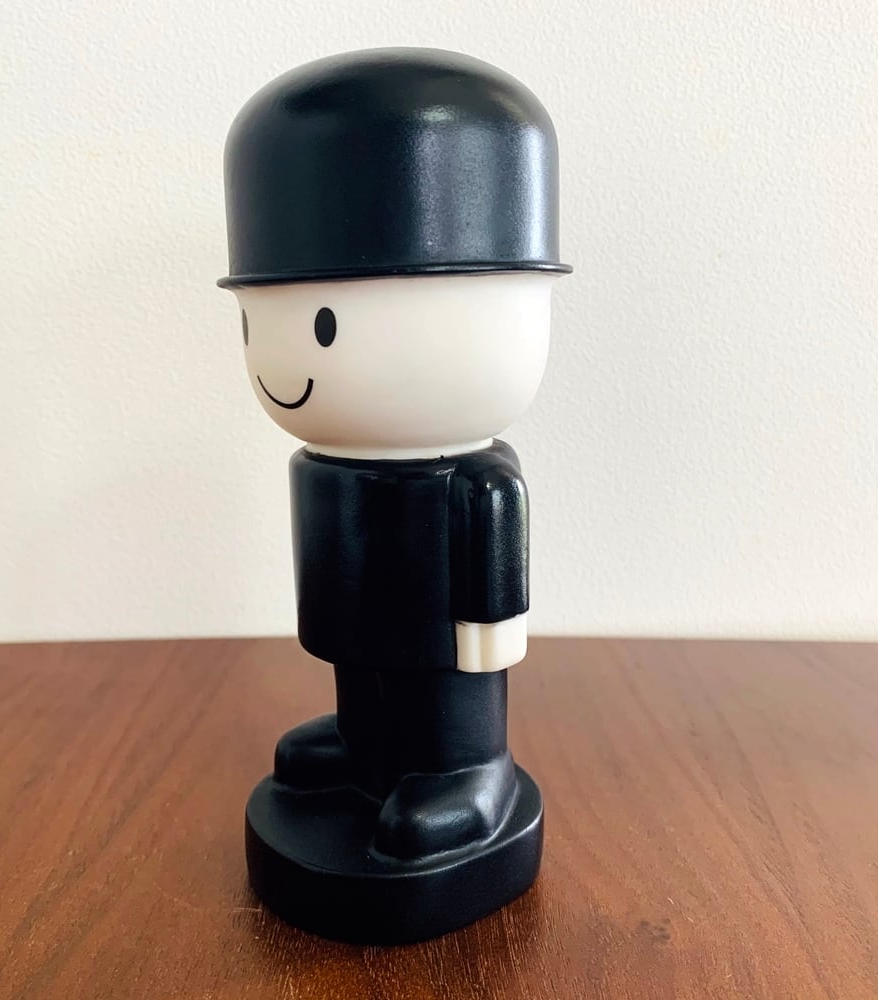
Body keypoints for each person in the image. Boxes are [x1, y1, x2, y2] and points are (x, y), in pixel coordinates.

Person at [218, 47, 571, 943]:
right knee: (364, 684)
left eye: (323, 324)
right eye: (261, 321)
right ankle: (364, 750)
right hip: (359, 621)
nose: (286, 362)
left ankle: (469, 778)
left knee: (444, 707)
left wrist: (492, 639)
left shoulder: (479, 480)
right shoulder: (321, 464)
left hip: (450, 648)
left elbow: (496, 575)